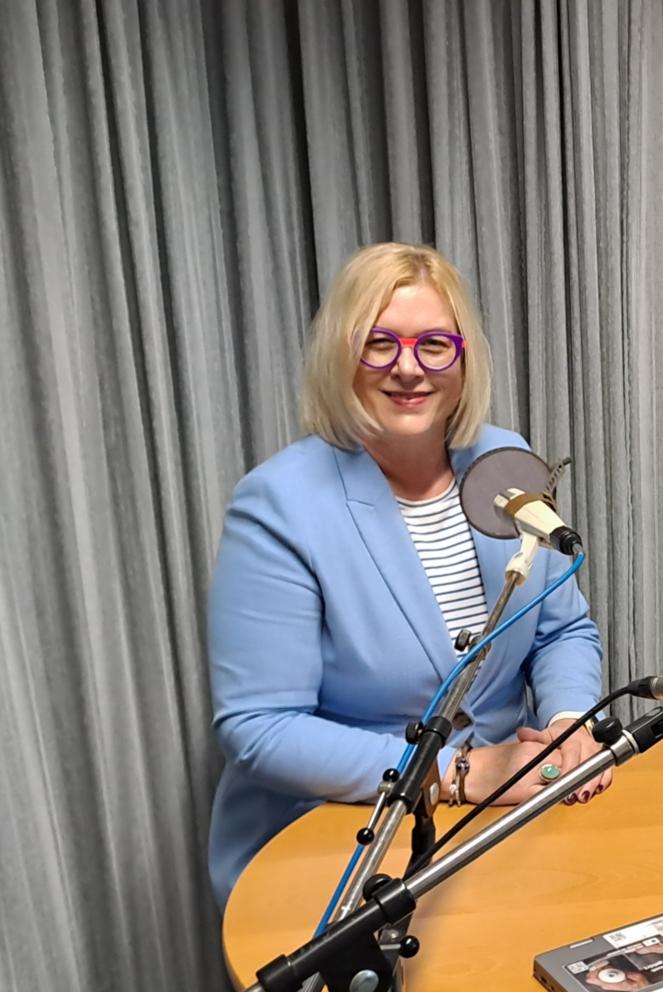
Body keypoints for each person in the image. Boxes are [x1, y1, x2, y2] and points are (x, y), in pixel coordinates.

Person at [206, 243, 611, 906]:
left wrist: (569, 719)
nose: (408, 369)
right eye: (380, 344)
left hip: (498, 822)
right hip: (338, 838)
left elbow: (559, 628)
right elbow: (261, 726)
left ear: (463, 356)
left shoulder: (506, 462)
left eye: (433, 345)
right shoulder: (280, 502)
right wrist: (458, 772)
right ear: (343, 355)